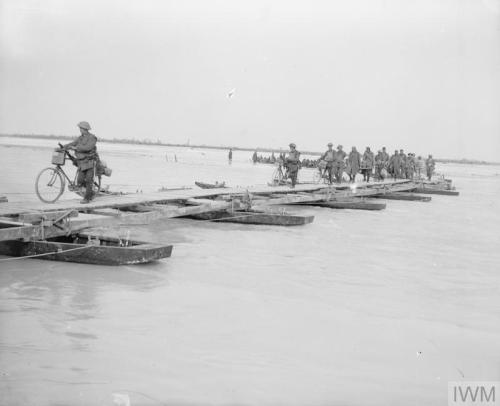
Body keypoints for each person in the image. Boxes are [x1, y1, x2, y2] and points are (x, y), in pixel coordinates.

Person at [61, 121, 98, 203]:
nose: (80, 130)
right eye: (80, 128)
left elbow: (88, 148)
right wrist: (63, 147)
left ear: (85, 129)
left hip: (90, 162)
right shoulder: (80, 138)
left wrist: (75, 148)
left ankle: (87, 198)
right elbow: (73, 143)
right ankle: (90, 192)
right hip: (82, 162)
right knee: (80, 181)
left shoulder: (92, 138)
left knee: (89, 180)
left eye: (81, 128)